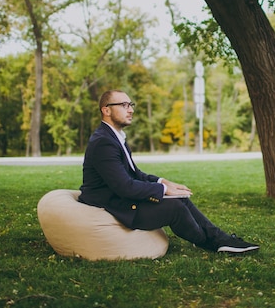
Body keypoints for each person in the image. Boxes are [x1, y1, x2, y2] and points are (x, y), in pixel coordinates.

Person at [78, 89, 259, 254]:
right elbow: (125, 186)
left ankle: (220, 239)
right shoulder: (103, 142)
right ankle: (210, 242)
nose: (131, 110)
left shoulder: (114, 137)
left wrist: (164, 183)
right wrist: (164, 192)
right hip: (112, 204)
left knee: (180, 198)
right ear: (106, 110)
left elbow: (135, 174)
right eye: (124, 105)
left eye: (130, 105)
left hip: (119, 197)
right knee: (174, 208)